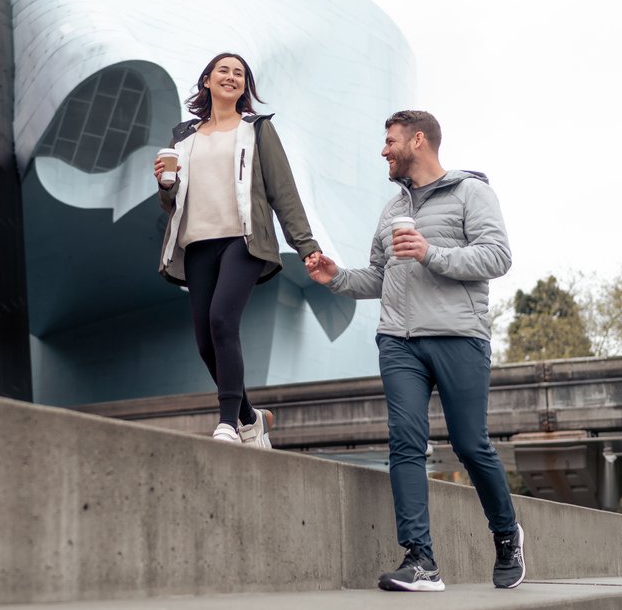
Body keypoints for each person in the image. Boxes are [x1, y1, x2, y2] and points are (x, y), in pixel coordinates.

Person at [306, 110, 525, 591]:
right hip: (398, 340)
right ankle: (420, 560)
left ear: (418, 140)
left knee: (471, 445)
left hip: (458, 335)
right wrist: (336, 277)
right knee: (405, 444)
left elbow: (498, 256)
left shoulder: (472, 192)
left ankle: (507, 536)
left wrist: (431, 253)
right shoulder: (391, 209)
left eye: (390, 141)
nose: (384, 150)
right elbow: (382, 276)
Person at [154, 52, 322, 447]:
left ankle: (228, 422)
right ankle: (251, 417)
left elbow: (284, 192)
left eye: (239, 73)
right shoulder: (183, 136)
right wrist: (165, 185)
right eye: (223, 71)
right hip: (196, 243)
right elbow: (172, 201)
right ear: (207, 81)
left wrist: (307, 245)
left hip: (244, 240)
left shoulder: (257, 129)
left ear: (244, 86)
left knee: (222, 321)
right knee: (204, 341)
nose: (231, 77)